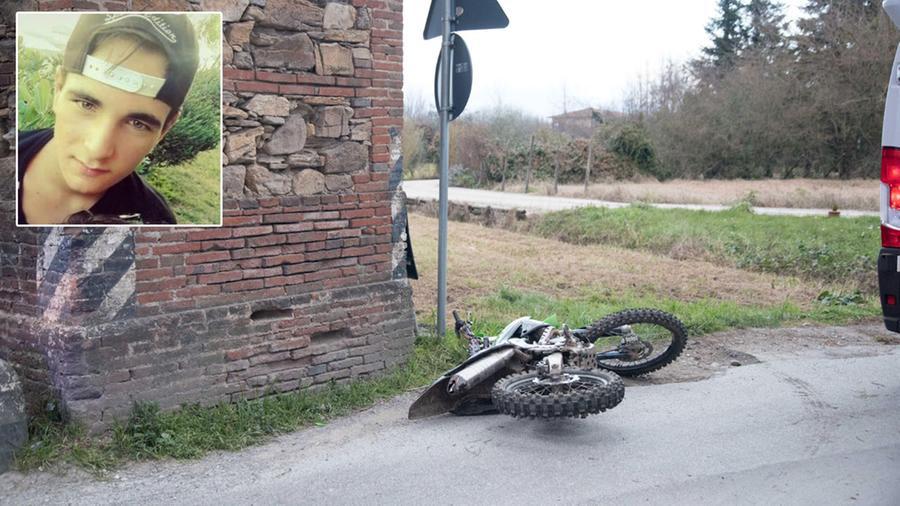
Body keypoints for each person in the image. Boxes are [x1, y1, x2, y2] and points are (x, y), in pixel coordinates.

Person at [17, 13, 200, 225]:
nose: (97, 149)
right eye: (87, 105)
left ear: (165, 129)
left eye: (137, 124)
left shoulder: (156, 224)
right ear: (58, 90)